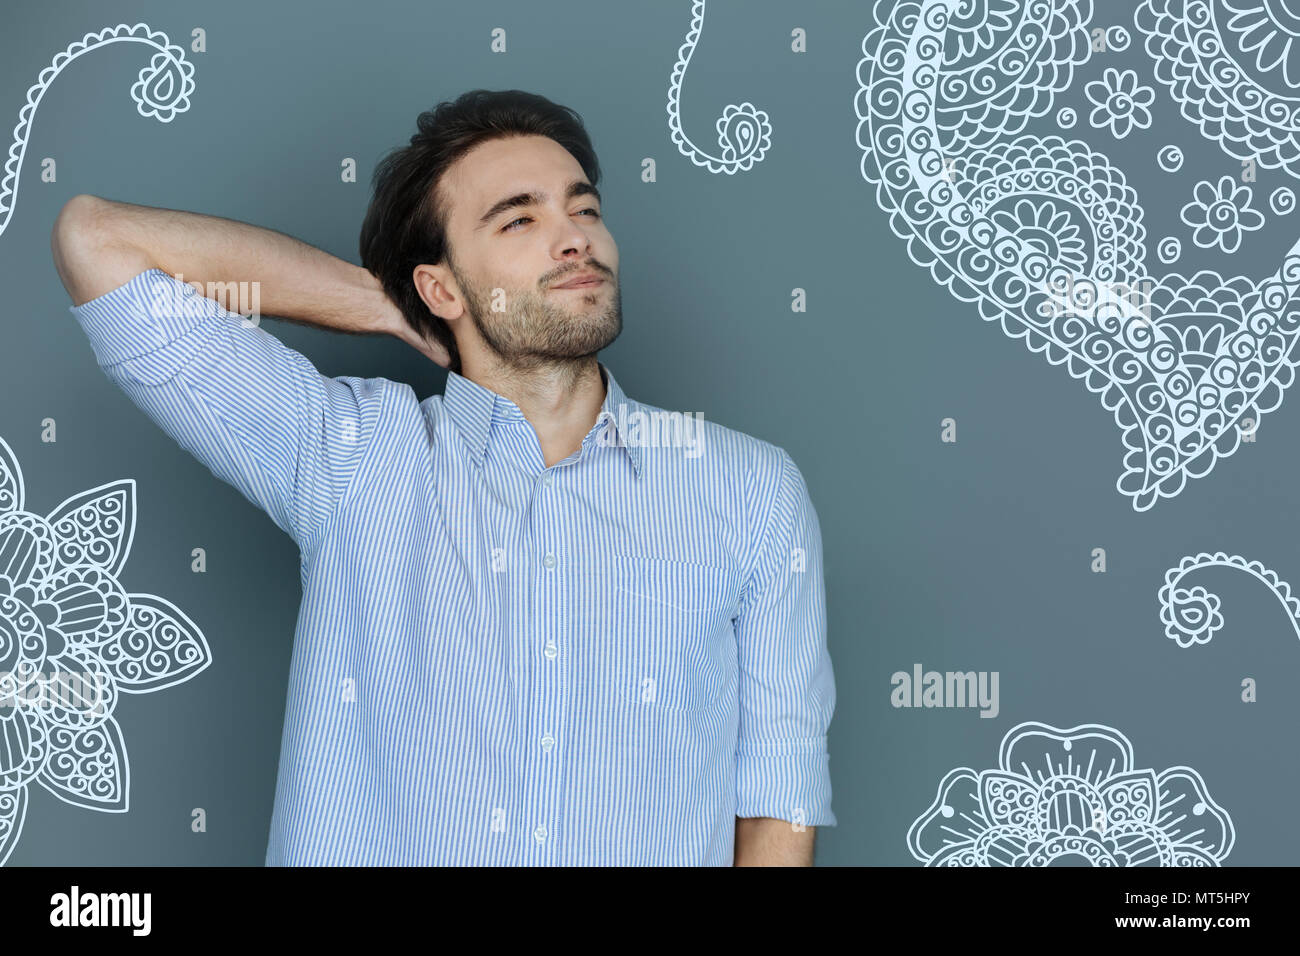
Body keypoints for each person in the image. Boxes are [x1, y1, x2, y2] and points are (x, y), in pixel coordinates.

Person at [50, 88, 835, 866]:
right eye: (520, 219)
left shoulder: (747, 490)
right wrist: (383, 305)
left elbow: (777, 803)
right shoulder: (349, 454)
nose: (575, 240)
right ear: (441, 286)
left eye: (584, 210)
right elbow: (97, 242)